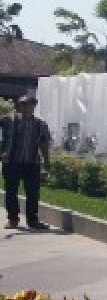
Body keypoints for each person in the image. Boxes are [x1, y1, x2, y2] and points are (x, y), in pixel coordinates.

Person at [1, 93, 52, 230]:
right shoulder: (8, 121)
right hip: (12, 162)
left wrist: (46, 165)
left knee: (33, 193)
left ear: (34, 106)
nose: (25, 107)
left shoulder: (40, 124)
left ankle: (32, 221)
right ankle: (13, 219)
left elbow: (44, 145)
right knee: (11, 192)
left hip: (32, 163)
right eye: (22, 104)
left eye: (28, 104)